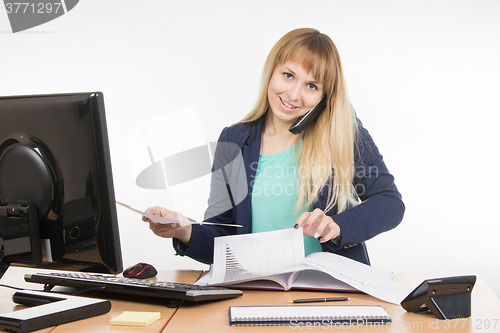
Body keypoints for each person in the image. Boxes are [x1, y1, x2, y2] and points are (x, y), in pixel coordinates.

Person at [143, 28, 404, 265]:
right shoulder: (233, 140)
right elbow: (221, 238)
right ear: (272, 72)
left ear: (326, 96)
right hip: (257, 289)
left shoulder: (343, 132)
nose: (293, 95)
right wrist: (185, 230)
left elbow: (390, 202)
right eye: (288, 75)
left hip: (331, 290)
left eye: (311, 86)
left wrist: (336, 225)